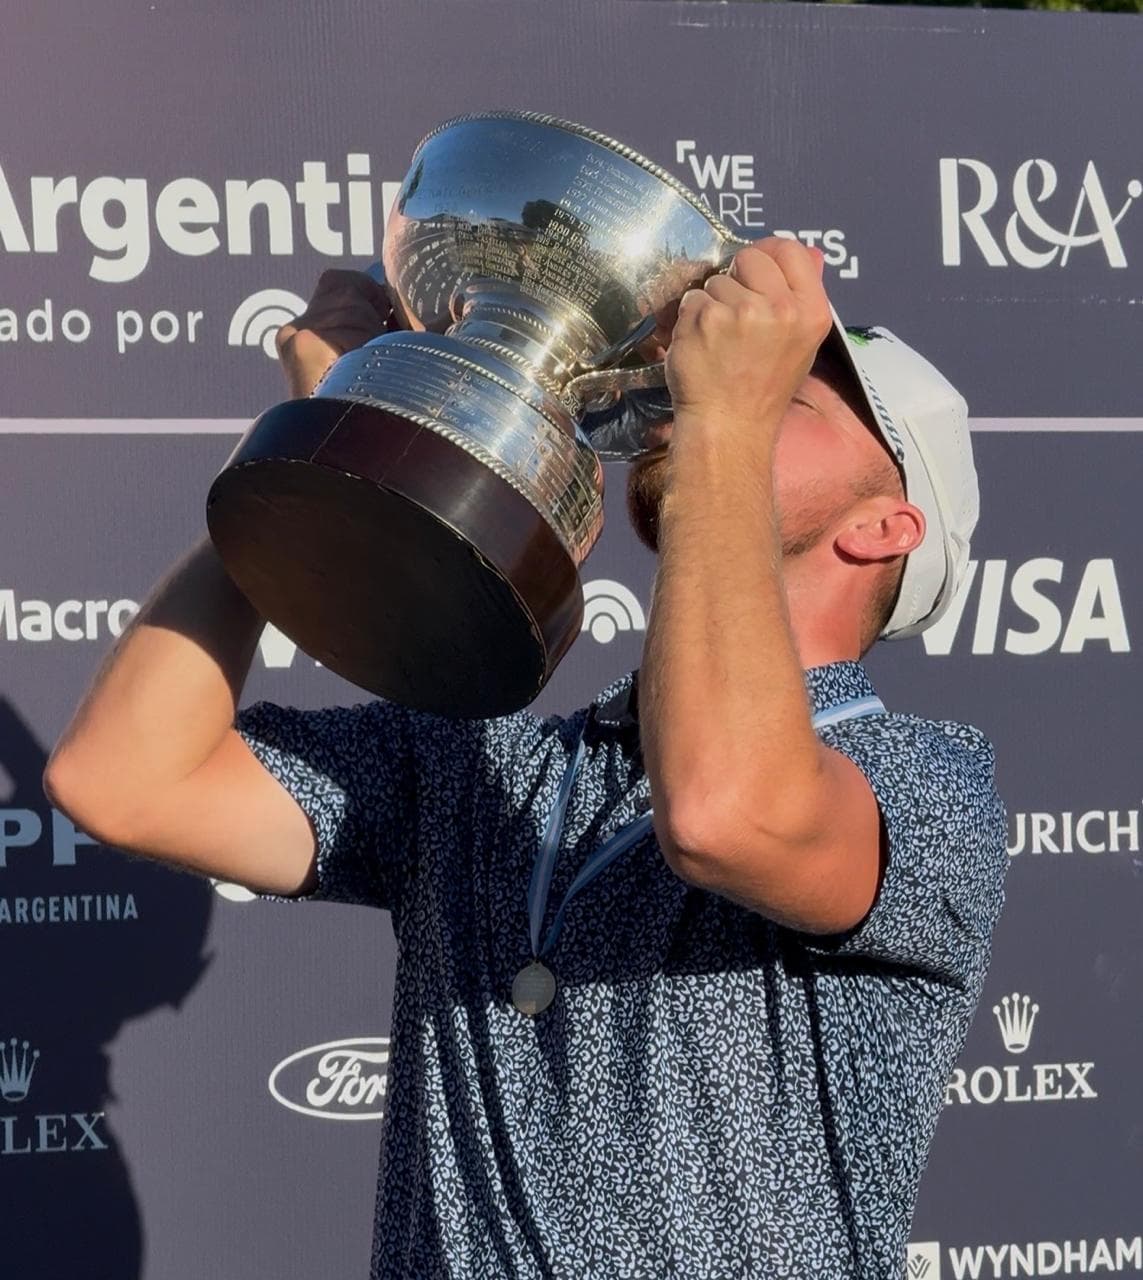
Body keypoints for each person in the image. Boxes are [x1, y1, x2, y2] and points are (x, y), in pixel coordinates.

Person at [44, 238, 1008, 1279]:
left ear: (882, 527)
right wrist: (325, 449)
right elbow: (124, 779)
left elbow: (728, 812)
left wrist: (724, 422)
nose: (718, 384)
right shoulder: (491, 766)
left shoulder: (927, 783)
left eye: (793, 396)